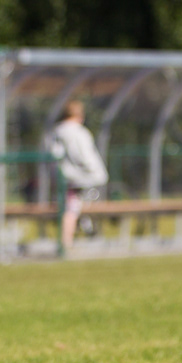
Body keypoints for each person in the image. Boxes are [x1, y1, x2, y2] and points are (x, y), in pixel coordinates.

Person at [49, 100, 109, 251]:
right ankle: (65, 245)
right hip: (78, 179)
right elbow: (85, 157)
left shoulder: (55, 132)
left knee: (70, 209)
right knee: (70, 211)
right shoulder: (78, 132)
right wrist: (96, 172)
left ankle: (67, 241)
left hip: (63, 178)